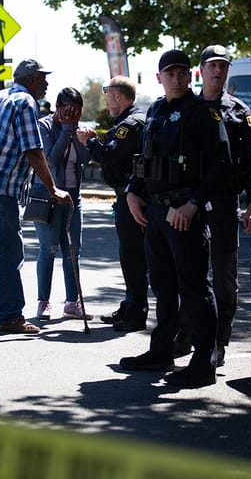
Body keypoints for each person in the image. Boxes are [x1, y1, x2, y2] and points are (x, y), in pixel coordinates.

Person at [119, 50, 231, 388]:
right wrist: (132, 191)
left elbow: (221, 166)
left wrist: (194, 204)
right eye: (170, 73)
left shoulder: (203, 114)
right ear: (159, 78)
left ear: (190, 76)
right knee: (163, 287)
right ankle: (161, 352)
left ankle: (203, 362)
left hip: (185, 214)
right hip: (154, 213)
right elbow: (144, 158)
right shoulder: (154, 110)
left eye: (182, 73)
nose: (177, 79)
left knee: (194, 287)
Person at [0, 58, 71, 334]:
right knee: (6, 251)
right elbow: (34, 150)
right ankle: (9, 315)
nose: (46, 83)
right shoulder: (25, 103)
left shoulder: (2, 96)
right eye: (43, 78)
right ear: (31, 79)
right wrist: (53, 188)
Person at [174, 45, 251, 365]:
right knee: (189, 273)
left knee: (224, 277)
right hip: (187, 203)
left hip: (224, 203)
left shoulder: (239, 111)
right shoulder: (186, 108)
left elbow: (250, 161)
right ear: (201, 70)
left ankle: (218, 341)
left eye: (223, 66)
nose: (218, 71)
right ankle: (186, 335)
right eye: (212, 65)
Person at [77, 75, 148, 332]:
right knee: (129, 255)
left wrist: (89, 141)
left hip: (135, 198)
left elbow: (108, 155)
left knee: (134, 255)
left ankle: (136, 311)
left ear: (118, 96)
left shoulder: (130, 123)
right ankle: (131, 304)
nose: (105, 100)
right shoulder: (129, 120)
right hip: (127, 196)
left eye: (107, 94)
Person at [33, 87, 92, 320]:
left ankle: (71, 301)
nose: (73, 115)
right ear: (57, 107)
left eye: (77, 111)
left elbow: (87, 159)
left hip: (73, 195)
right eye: (68, 110)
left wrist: (82, 137)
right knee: (48, 250)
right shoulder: (44, 126)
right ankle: (43, 302)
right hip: (48, 195)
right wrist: (67, 131)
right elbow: (50, 160)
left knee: (73, 251)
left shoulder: (78, 127)